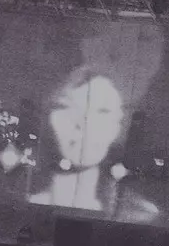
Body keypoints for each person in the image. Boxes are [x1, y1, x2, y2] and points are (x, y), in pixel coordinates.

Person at [29, 66, 159, 223]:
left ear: (119, 125)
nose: (83, 123)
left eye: (102, 111)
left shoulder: (142, 216)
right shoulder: (18, 203)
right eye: (66, 107)